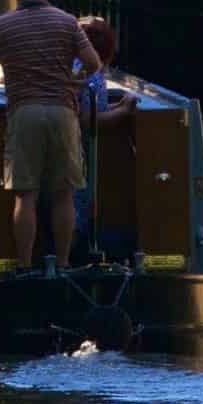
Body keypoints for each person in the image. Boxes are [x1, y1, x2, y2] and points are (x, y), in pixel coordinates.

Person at [0, 0, 101, 273]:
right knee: (64, 193)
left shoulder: (1, 25)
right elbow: (93, 63)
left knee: (26, 194)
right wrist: (74, 82)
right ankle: (62, 264)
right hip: (63, 112)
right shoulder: (67, 23)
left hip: (24, 113)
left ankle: (24, 265)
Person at [71, 18, 137, 261]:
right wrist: (124, 111)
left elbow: (88, 109)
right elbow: (88, 122)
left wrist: (114, 105)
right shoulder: (93, 74)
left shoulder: (69, 65)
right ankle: (70, 258)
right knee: (75, 203)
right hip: (75, 151)